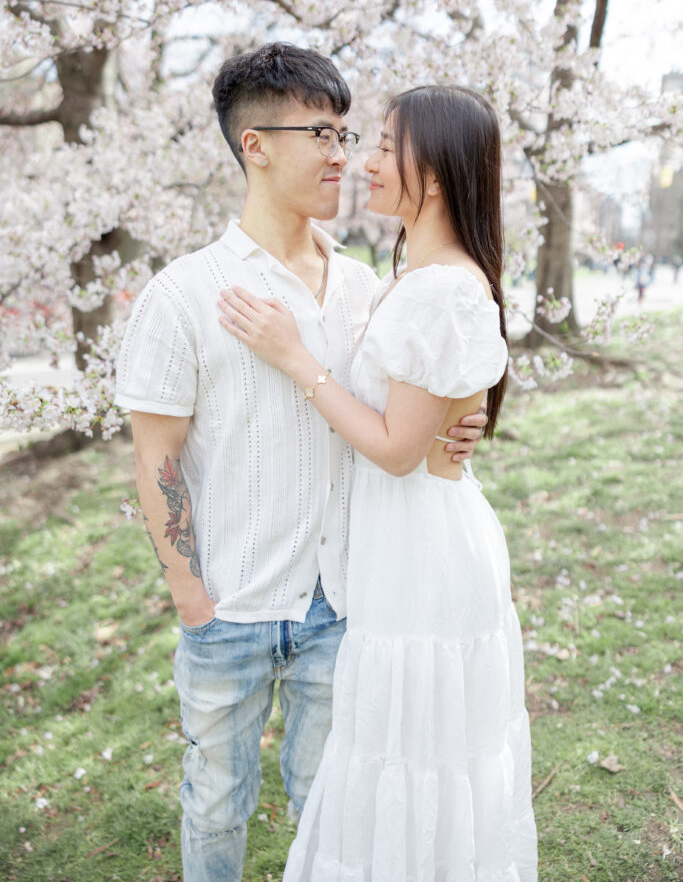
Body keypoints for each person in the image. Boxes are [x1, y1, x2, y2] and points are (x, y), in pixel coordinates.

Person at [114, 44, 486, 882]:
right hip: (232, 607)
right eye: (319, 132)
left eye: (346, 132)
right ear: (256, 146)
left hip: (343, 604)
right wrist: (192, 599)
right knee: (214, 803)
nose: (341, 154)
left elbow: (410, 401)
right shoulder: (182, 294)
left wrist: (448, 435)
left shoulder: (366, 287)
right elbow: (157, 455)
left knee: (333, 803)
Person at [218, 85, 538, 880]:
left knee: (415, 751)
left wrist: (297, 359)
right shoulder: (413, 275)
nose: (362, 161)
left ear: (430, 173)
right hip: (406, 541)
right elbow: (422, 415)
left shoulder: (439, 287)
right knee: (394, 752)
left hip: (425, 557)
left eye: (384, 146)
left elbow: (396, 451)